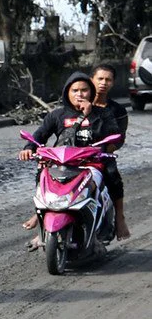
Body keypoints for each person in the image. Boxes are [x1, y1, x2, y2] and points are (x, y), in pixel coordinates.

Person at [18, 72, 120, 249]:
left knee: (104, 181)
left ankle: (103, 228)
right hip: (62, 163)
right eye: (75, 90)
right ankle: (41, 218)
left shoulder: (102, 114)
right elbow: (40, 135)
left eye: (84, 90)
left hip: (90, 165)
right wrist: (28, 149)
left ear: (91, 92)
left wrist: (90, 115)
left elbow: (113, 136)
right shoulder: (57, 115)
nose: (79, 94)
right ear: (67, 93)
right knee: (43, 174)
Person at [91, 64, 130, 240]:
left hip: (101, 155)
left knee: (113, 175)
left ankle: (119, 218)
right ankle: (39, 219)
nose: (103, 83)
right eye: (100, 78)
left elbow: (120, 138)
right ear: (92, 79)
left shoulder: (118, 110)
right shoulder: (78, 102)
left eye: (108, 80)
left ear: (113, 83)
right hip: (74, 154)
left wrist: (107, 149)